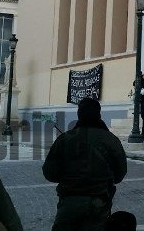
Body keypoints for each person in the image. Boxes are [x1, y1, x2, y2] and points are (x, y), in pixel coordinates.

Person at [43, 98, 128, 231]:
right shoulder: (111, 140)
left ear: (79, 114)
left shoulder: (65, 139)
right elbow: (120, 174)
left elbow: (49, 173)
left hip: (69, 204)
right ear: (99, 114)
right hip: (99, 204)